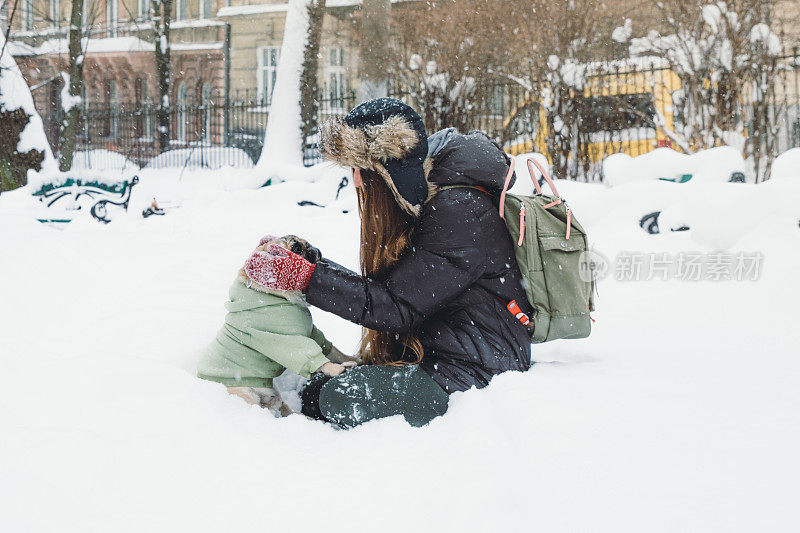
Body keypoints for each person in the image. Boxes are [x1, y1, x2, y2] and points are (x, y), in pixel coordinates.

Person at [243, 98, 533, 428]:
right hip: (442, 354)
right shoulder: (435, 199)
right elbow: (397, 292)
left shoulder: (460, 210)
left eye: (359, 170)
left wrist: (305, 277)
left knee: (324, 397)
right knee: (319, 391)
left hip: (476, 369)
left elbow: (396, 306)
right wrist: (307, 260)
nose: (354, 181)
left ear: (389, 173)